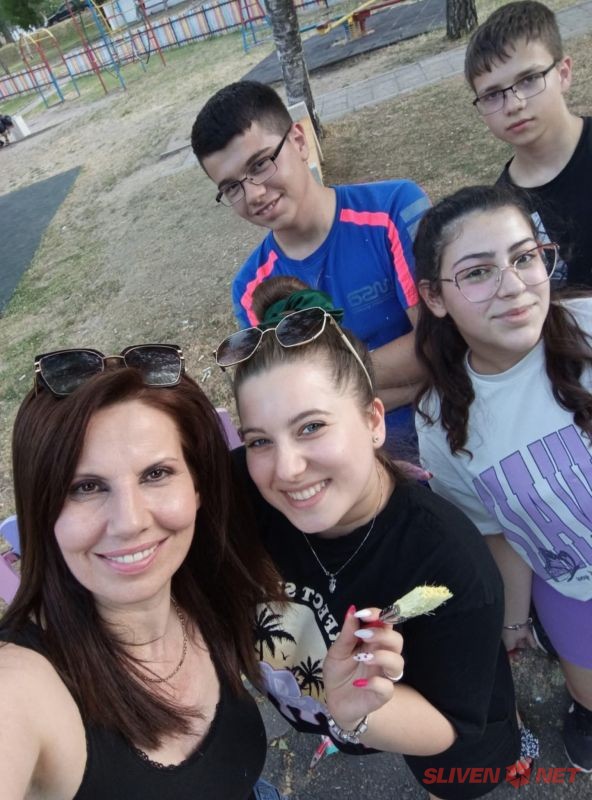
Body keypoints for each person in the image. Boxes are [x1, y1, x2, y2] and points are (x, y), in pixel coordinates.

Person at [214, 277, 528, 799]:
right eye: (259, 440)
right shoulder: (240, 490)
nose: (286, 469)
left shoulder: (452, 565)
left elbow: (449, 729)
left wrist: (360, 716)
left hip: (429, 713)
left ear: (373, 420)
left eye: (311, 427)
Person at [0, 346, 287, 800]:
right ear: (43, 509)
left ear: (197, 487)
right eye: (86, 487)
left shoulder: (205, 583)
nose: (130, 521)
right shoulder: (20, 685)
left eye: (156, 474)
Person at [414, 184, 592, 773]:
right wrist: (513, 620)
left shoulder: (589, 324)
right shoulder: (441, 421)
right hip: (573, 590)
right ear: (435, 297)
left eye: (524, 257)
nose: (513, 286)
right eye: (478, 272)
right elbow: (496, 530)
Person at [191, 80, 430, 452]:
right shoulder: (252, 287)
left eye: (260, 164)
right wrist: (412, 384)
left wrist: (329, 385)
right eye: (232, 187)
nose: (254, 194)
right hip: (354, 460)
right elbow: (291, 403)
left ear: (299, 142)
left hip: (450, 428)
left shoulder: (393, 209)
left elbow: (439, 344)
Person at [464, 1, 592, 287]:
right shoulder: (504, 212)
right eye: (492, 95)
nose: (514, 105)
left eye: (529, 79)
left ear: (563, 74)